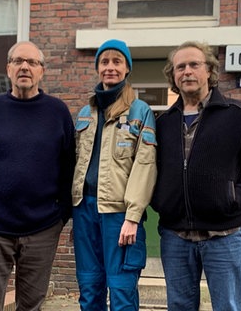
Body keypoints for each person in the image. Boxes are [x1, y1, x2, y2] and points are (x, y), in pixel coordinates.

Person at [150, 41, 241, 311]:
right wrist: (160, 200)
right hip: (175, 235)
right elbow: (151, 169)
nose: (187, 71)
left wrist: (235, 196)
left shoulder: (238, 115)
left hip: (225, 234)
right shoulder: (163, 123)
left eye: (194, 64)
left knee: (227, 307)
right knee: (179, 306)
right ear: (173, 76)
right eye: (180, 67)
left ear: (209, 71)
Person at [0, 41, 76, 311]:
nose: (25, 67)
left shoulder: (57, 113)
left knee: (31, 305)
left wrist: (61, 216)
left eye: (32, 62)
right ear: (8, 69)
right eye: (18, 61)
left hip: (42, 228)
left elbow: (69, 168)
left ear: (42, 71)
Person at [72, 39, 157, 310]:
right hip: (84, 210)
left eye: (117, 62)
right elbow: (76, 162)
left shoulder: (139, 111)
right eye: (105, 62)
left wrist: (133, 216)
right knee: (89, 287)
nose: (110, 67)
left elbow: (145, 164)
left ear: (127, 69)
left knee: (121, 290)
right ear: (98, 67)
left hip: (119, 214)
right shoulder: (86, 113)